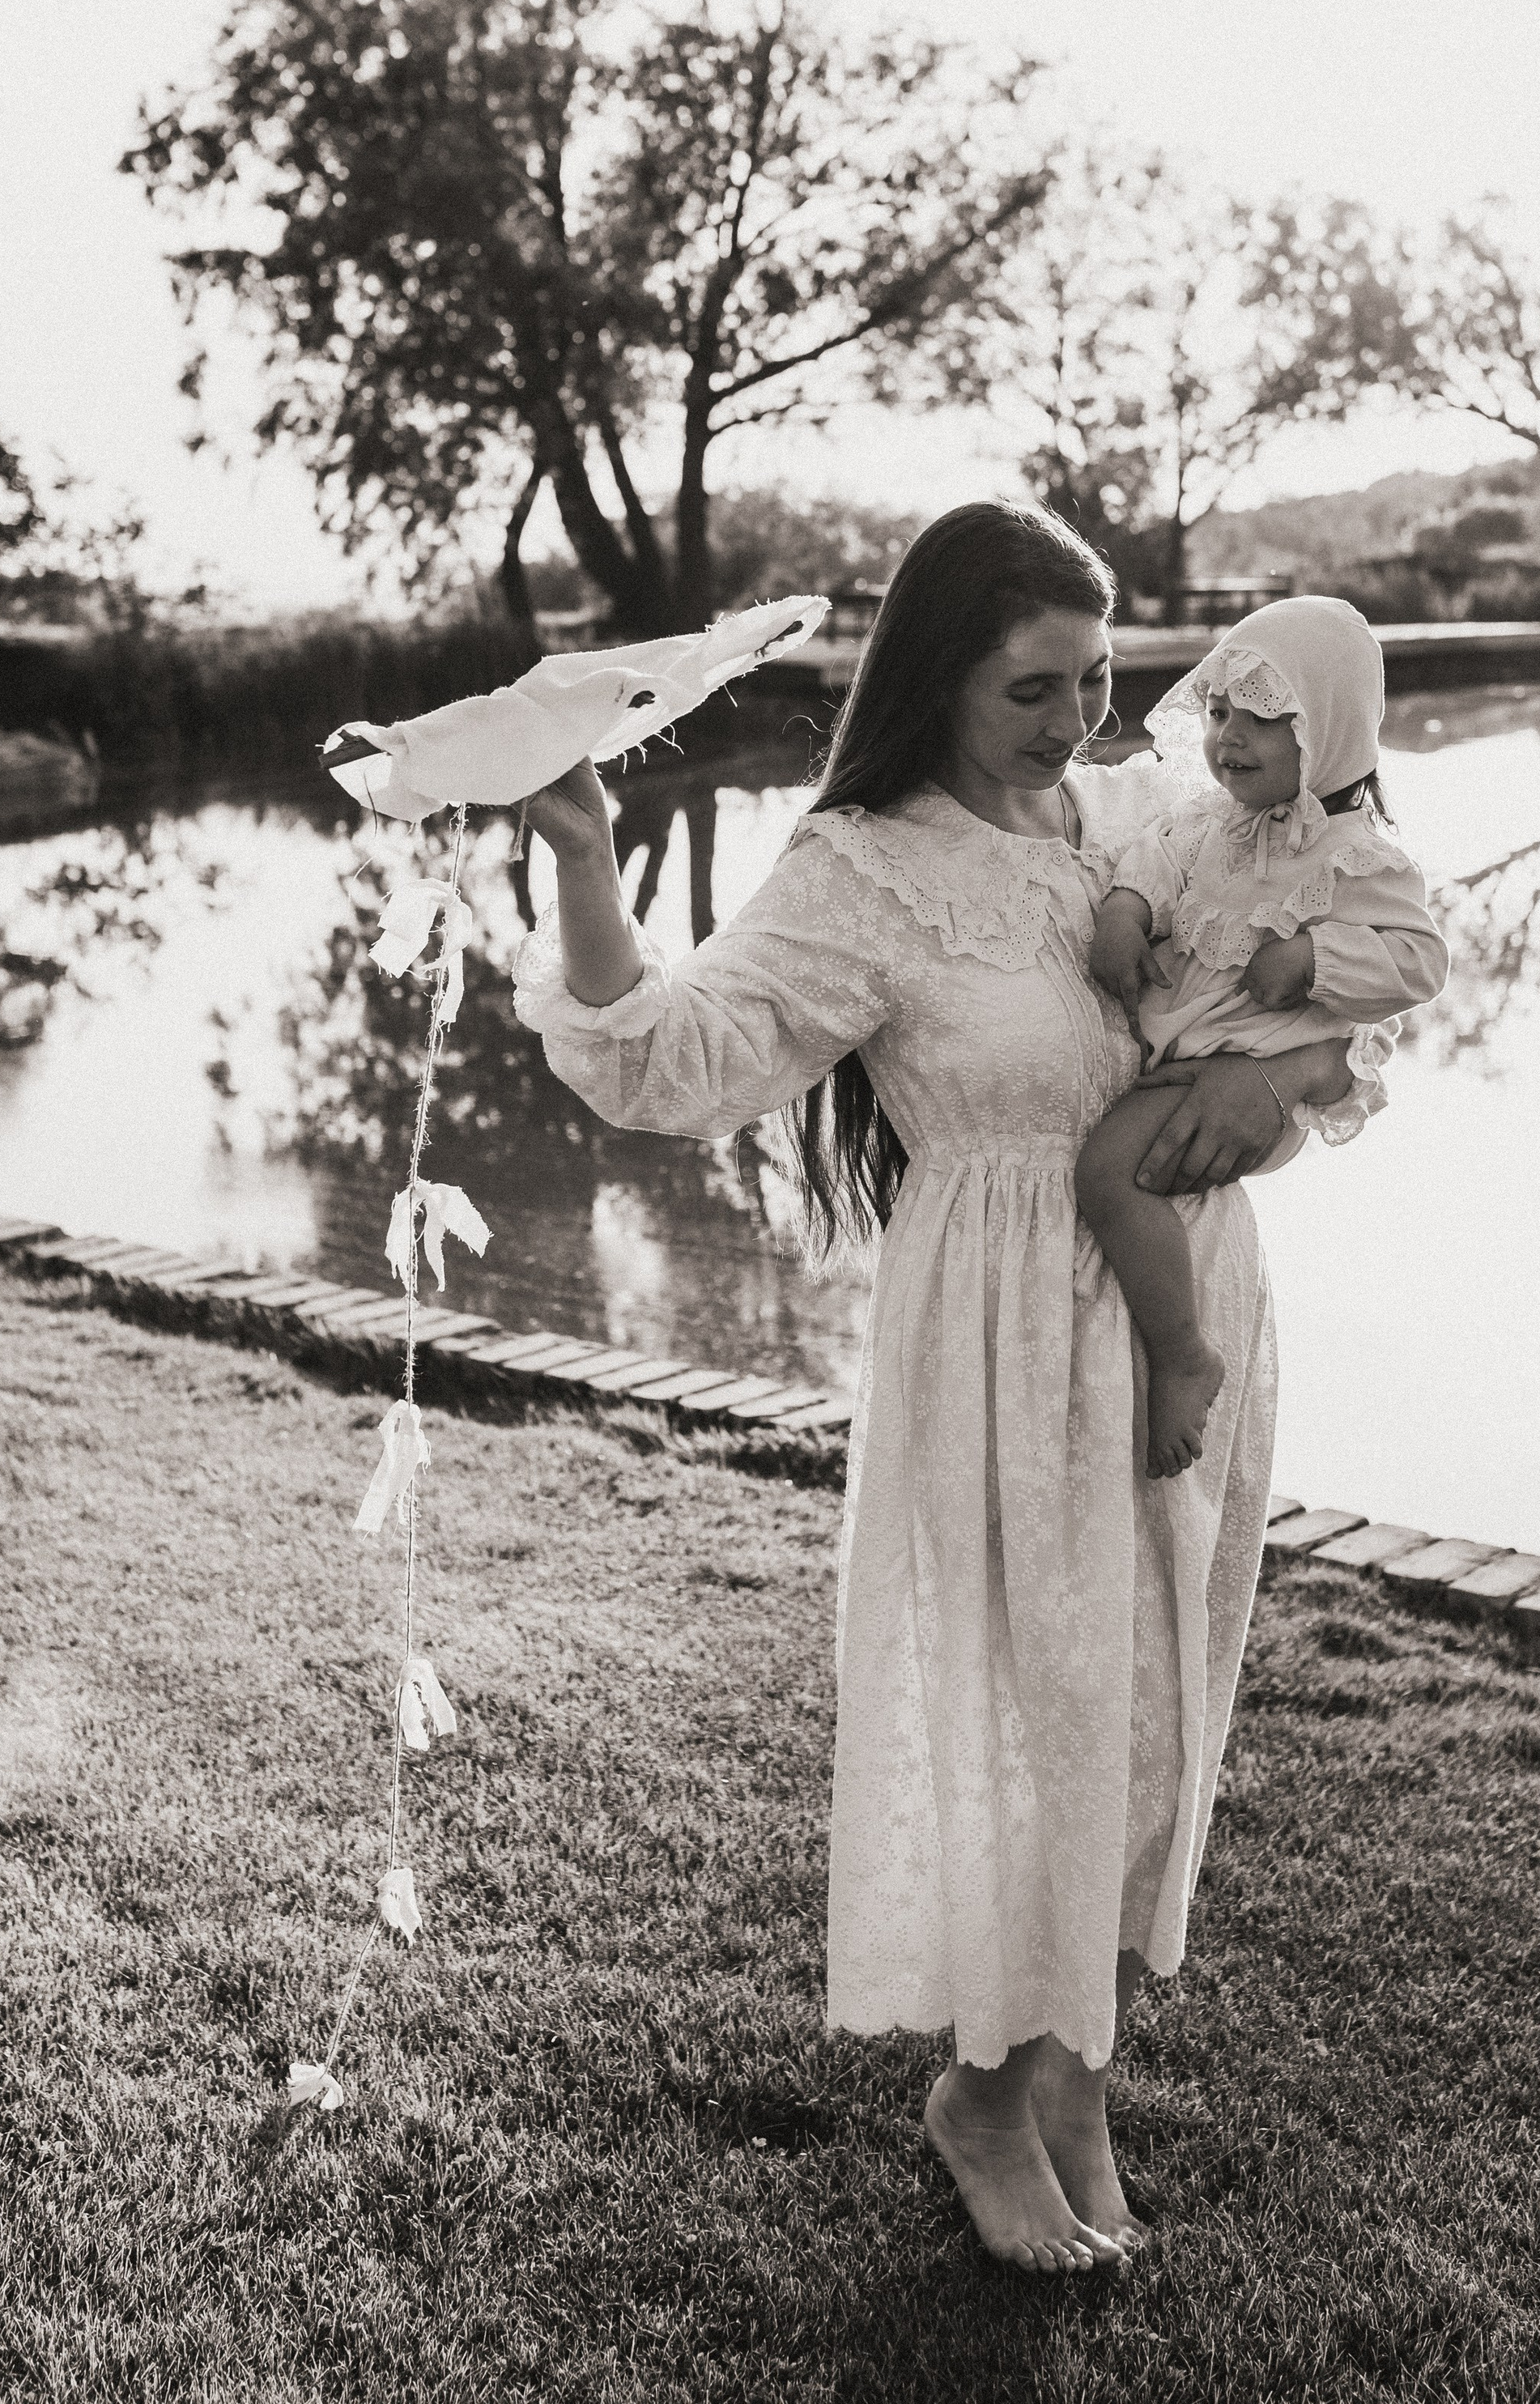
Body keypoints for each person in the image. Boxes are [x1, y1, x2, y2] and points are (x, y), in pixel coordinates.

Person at [513, 504, 1403, 2278]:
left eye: (1096, 679)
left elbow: (1329, 984)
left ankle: (1076, 2076)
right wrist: (593, 874)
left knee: (1154, 1713)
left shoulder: (1142, 815)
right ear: (936, 676)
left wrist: (1304, 1060)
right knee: (1047, 1726)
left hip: (1186, 1305)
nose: (1075, 718)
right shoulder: (866, 866)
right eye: (1030, 686)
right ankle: (981, 2104)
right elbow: (671, 1063)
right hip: (1001, 1343)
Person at [1076, 598, 1449, 1479]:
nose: (1228, 738)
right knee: (1126, 1171)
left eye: (1262, 719)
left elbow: (1421, 962)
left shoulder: (1357, 855)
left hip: (1251, 1073)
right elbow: (1152, 865)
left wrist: (1315, 959)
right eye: (1218, 712)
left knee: (1104, 1171)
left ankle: (1183, 1356)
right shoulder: (1209, 823)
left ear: (1327, 728)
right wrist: (1126, 911)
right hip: (1195, 1060)